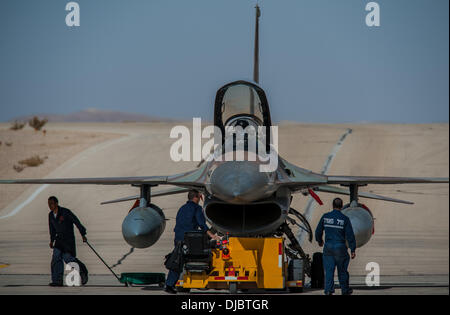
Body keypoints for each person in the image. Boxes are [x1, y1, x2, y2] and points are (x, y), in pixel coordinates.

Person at [164, 190, 220, 294]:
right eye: (199, 197)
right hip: (189, 240)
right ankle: (204, 275)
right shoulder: (197, 208)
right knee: (207, 253)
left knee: (177, 261)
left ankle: (169, 284)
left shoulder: (182, 208)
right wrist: (212, 235)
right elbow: (202, 224)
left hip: (178, 239)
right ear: (196, 198)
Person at [315, 197, 356, 295]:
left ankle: (328, 290)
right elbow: (350, 235)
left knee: (329, 271)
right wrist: (353, 249)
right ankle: (345, 290)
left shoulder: (325, 217)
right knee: (342, 271)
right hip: (340, 248)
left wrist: (320, 241)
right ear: (341, 206)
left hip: (328, 248)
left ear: (332, 206)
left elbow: (318, 231)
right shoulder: (345, 219)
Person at [48, 196, 87, 286]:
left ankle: (82, 270)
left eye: (52, 203)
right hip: (59, 240)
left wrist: (83, 234)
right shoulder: (50, 215)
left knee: (68, 259)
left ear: (56, 203)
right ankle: (57, 281)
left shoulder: (65, 212)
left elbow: (76, 221)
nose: (50, 206)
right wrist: (51, 240)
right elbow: (52, 229)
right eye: (49, 204)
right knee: (56, 258)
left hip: (68, 241)